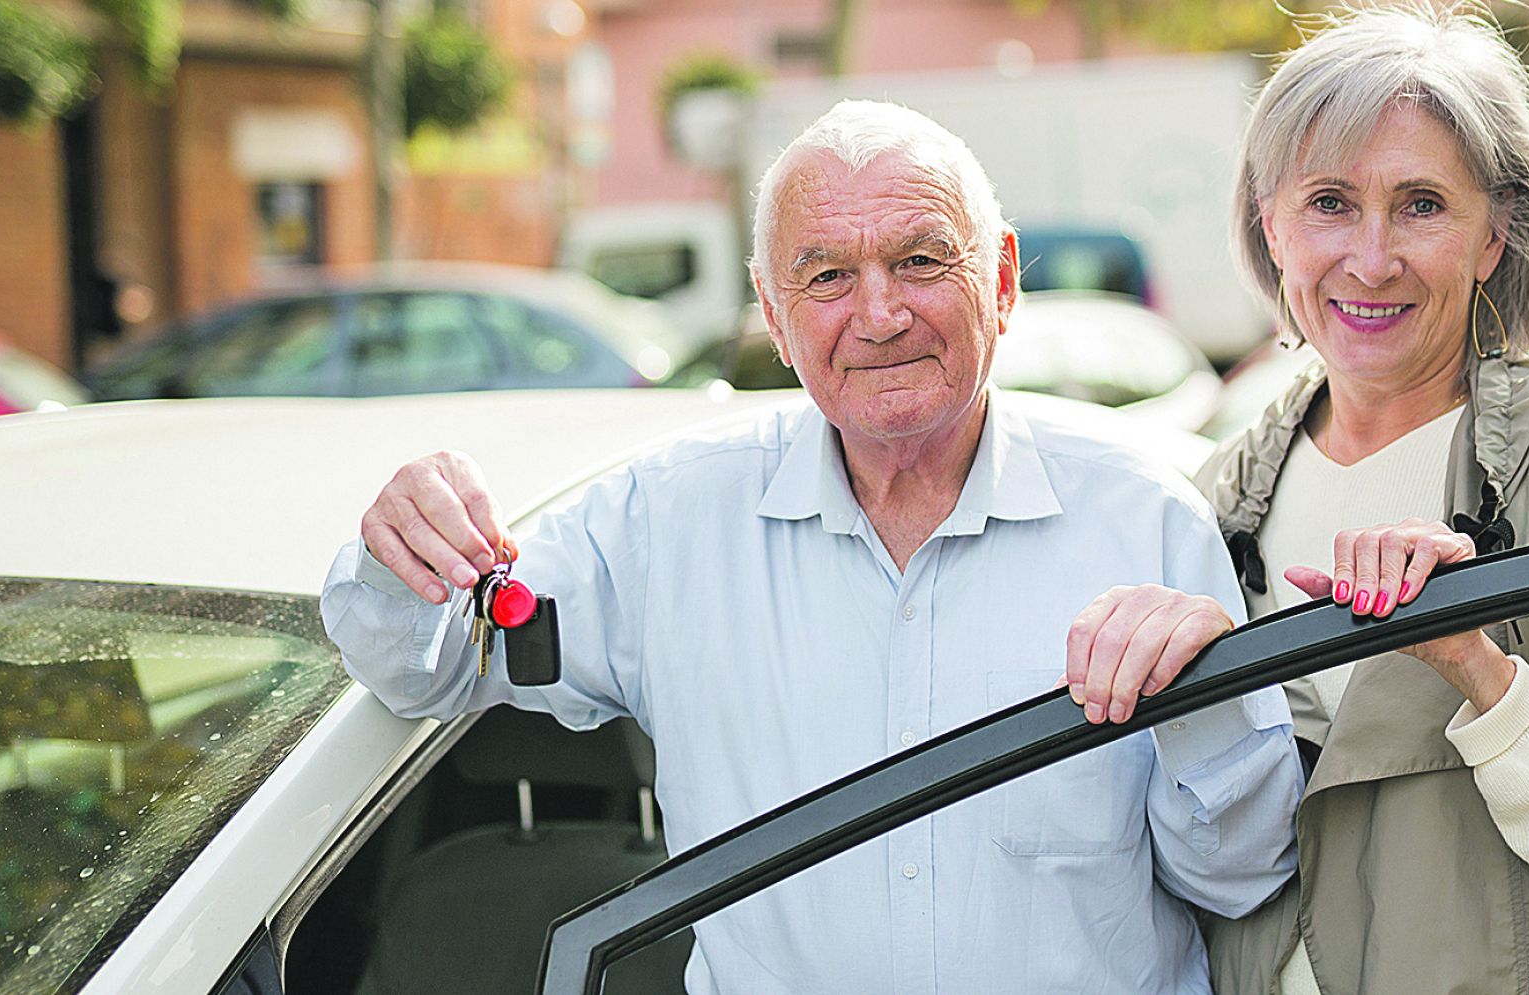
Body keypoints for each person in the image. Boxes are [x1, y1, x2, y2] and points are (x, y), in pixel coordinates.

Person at [322, 99, 1302, 994]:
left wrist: (1200, 703)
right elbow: (432, 668)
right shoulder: (667, 523)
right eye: (828, 274)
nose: (879, 315)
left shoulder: (1145, 521)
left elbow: (1244, 873)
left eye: (921, 261)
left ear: (1002, 278)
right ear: (773, 315)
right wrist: (407, 551)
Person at [1067, 8, 1529, 995]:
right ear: (1270, 225)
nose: (1372, 256)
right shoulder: (1208, 505)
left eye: (1422, 204)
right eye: (1329, 203)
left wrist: (1481, 672)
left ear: (1497, 233)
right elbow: (1187, 871)